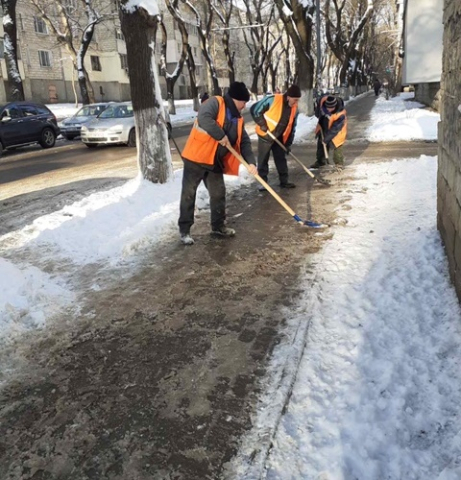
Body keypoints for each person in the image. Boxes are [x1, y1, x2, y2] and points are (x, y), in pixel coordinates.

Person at [178, 82, 258, 246]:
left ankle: (218, 226)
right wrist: (220, 135)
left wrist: (251, 162)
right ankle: (184, 230)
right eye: (243, 102)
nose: (244, 106)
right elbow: (203, 118)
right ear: (236, 99)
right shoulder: (216, 102)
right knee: (189, 194)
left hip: (214, 162)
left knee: (218, 193)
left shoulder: (238, 118)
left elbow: (244, 142)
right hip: (196, 158)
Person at [250, 84, 301, 190]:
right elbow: (255, 110)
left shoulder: (294, 108)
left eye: (298, 100)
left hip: (279, 136)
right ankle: (263, 183)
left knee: (281, 159)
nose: (296, 102)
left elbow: (292, 128)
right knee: (263, 159)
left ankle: (284, 181)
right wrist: (262, 124)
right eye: (295, 100)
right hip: (266, 134)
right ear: (288, 97)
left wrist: (287, 144)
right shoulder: (273, 99)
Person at [311, 94, 347, 169]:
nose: (329, 110)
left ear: (335, 105)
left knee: (337, 145)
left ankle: (339, 163)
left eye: (332, 108)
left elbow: (335, 129)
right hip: (323, 126)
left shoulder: (340, 113)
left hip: (337, 130)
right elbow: (318, 114)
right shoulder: (322, 105)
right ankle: (321, 161)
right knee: (321, 144)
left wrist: (326, 139)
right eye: (328, 108)